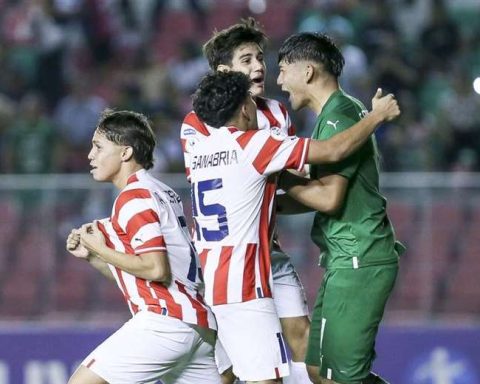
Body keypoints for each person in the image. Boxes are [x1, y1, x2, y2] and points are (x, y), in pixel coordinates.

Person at [189, 70, 399, 384]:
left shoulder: (200, 152)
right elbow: (332, 151)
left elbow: (260, 200)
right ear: (245, 108)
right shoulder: (253, 145)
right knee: (267, 380)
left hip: (213, 283)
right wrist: (377, 117)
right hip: (247, 286)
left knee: (234, 375)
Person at [180, 17, 311, 384]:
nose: (257, 67)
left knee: (302, 335)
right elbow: (229, 179)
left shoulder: (278, 113)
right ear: (225, 71)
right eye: (246, 60)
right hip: (227, 259)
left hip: (270, 249)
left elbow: (283, 180)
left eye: (259, 58)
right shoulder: (197, 122)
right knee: (234, 365)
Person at [275, 32, 406, 384]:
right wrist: (273, 206)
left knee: (342, 378)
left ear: (307, 71)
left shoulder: (339, 118)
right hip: (345, 258)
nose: (279, 80)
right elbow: (325, 193)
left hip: (359, 258)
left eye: (283, 69)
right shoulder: (337, 114)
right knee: (319, 371)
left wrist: (275, 175)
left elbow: (328, 198)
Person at [65, 110, 221, 384]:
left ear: (125, 153)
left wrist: (100, 247)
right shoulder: (160, 191)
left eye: (99, 146)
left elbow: (155, 269)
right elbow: (141, 276)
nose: (90, 155)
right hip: (197, 327)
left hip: (165, 324)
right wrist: (94, 256)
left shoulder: (134, 197)